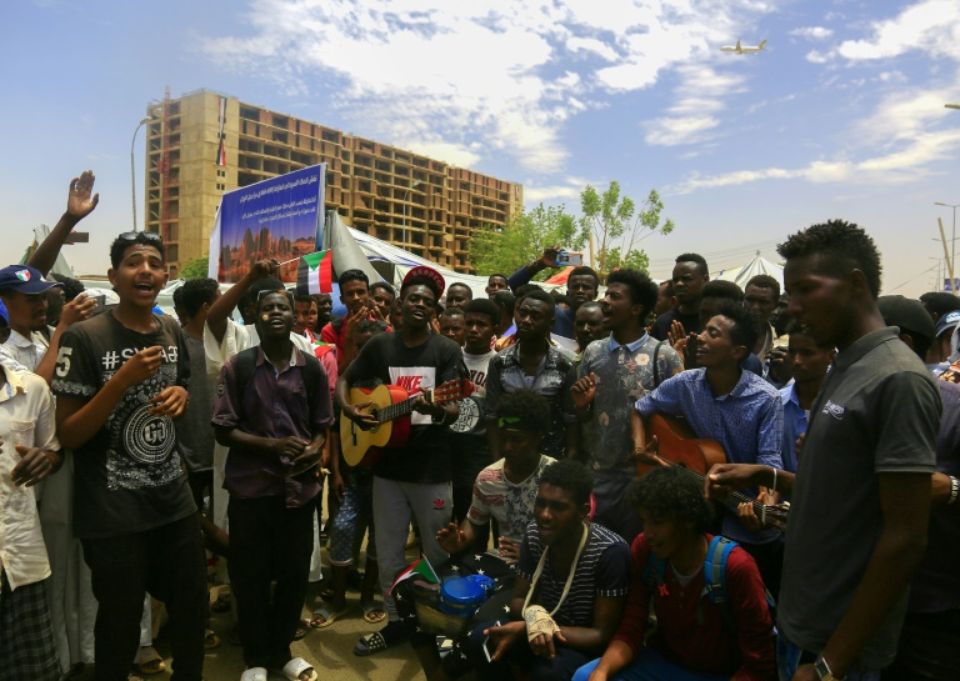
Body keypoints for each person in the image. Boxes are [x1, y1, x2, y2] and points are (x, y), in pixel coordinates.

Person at [706, 220, 940, 681]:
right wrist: (765, 475)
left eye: (805, 290)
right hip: (804, 624)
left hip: (838, 649)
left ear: (855, 283)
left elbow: (905, 538)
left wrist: (832, 663)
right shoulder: (847, 363)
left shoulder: (897, 379)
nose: (792, 308)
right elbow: (847, 493)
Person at [52, 231, 206, 681]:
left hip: (173, 502)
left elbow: (183, 386)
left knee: (193, 612)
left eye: (154, 263)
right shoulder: (83, 337)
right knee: (119, 624)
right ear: (115, 275)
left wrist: (179, 393)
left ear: (164, 276)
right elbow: (70, 433)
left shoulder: (171, 329)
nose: (145, 270)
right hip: (112, 512)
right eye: (134, 262)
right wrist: (119, 382)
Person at [337, 265, 464, 656]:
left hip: (431, 470)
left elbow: (456, 406)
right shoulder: (380, 346)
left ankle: (441, 626)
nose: (420, 305)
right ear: (400, 303)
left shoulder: (446, 350)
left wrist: (437, 407)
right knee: (390, 554)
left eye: (428, 301)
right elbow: (345, 380)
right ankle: (396, 623)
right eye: (414, 298)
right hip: (387, 470)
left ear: (434, 309)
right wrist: (351, 411)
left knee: (438, 554)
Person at [212, 288, 332, 681]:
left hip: (300, 493)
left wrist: (314, 450)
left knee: (294, 575)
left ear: (294, 316)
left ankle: (282, 651)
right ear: (255, 315)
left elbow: (321, 426)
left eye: (283, 307)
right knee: (250, 576)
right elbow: (224, 430)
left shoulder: (311, 368)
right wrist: (273, 445)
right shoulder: (239, 367)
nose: (276, 313)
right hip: (252, 490)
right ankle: (255, 659)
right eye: (268, 308)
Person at [632, 301, 785, 595]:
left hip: (741, 510)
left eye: (712, 334)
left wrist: (767, 501)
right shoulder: (685, 384)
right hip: (693, 510)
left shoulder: (767, 399)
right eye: (703, 330)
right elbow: (640, 409)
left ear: (737, 352)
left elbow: (770, 461)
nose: (699, 337)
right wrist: (640, 448)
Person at [573, 467, 776, 681]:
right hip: (665, 663)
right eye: (644, 521)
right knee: (584, 676)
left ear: (688, 519)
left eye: (658, 522)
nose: (648, 533)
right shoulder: (646, 549)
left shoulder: (736, 566)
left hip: (720, 674)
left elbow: (759, 664)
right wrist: (601, 673)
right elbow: (632, 626)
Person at [465, 460, 630, 681]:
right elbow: (518, 600)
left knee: (549, 674)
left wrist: (534, 628)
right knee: (482, 639)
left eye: (558, 507)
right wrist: (535, 617)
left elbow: (600, 635)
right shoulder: (535, 534)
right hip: (538, 628)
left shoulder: (610, 552)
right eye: (540, 503)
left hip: (579, 643)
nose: (544, 515)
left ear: (583, 511)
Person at [874, 296, 960, 681]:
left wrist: (952, 488)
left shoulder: (954, 409)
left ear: (902, 345)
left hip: (932, 606)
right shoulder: (850, 404)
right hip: (864, 597)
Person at [572, 269, 682, 543]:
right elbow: (583, 417)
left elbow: (680, 419)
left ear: (636, 309)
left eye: (614, 296)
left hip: (645, 480)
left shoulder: (664, 356)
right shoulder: (593, 352)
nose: (605, 301)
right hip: (599, 479)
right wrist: (583, 406)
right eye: (605, 295)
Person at [0, 362, 65, 681]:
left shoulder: (32, 388)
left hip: (20, 555)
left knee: (30, 671)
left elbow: (54, 452)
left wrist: (46, 459)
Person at [438, 389, 557, 561]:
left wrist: (531, 555)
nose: (507, 447)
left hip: (549, 566)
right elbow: (474, 521)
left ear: (538, 437)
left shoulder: (556, 478)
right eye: (503, 439)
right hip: (506, 565)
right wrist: (460, 539)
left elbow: (576, 534)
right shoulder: (488, 479)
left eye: (516, 440)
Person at [324, 319, 389, 629]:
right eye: (359, 346)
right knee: (341, 529)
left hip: (384, 476)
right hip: (349, 475)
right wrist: (335, 471)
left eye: (371, 347)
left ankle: (366, 597)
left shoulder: (391, 384)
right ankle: (337, 599)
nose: (365, 352)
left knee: (380, 537)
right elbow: (336, 431)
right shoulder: (345, 385)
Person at [486, 289, 578, 460]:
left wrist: (569, 459)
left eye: (535, 316)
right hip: (509, 457)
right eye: (523, 313)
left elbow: (570, 419)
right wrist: (497, 459)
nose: (526, 321)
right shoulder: (499, 362)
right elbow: (492, 417)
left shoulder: (564, 365)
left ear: (550, 323)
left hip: (551, 457)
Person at [448, 298, 501, 547]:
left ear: (494, 330)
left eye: (481, 324)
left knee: (476, 520)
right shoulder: (449, 357)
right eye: (469, 323)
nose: (473, 330)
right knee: (448, 518)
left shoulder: (499, 363)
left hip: (479, 450)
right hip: (449, 447)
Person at [0, 265, 95, 384]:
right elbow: (33, 392)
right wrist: (63, 326)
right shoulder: (3, 350)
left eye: (44, 297)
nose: (42, 306)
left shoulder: (44, 337)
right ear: (3, 301)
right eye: (32, 299)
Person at [508, 248, 600, 340]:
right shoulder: (553, 315)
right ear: (568, 292)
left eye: (586, 287)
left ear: (596, 293)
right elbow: (511, 286)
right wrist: (541, 263)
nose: (580, 291)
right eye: (575, 287)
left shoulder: (604, 320)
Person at [779, 321, 833, 473]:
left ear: (830, 356)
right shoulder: (776, 403)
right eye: (792, 352)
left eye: (807, 353)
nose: (796, 361)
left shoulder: (844, 407)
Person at [651, 253, 709, 341]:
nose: (679, 284)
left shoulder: (717, 321)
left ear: (705, 280)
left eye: (687, 279)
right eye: (675, 280)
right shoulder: (662, 323)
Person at [744, 274, 781, 363]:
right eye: (750, 300)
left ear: (775, 305)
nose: (755, 307)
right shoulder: (727, 338)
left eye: (763, 302)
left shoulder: (781, 344)